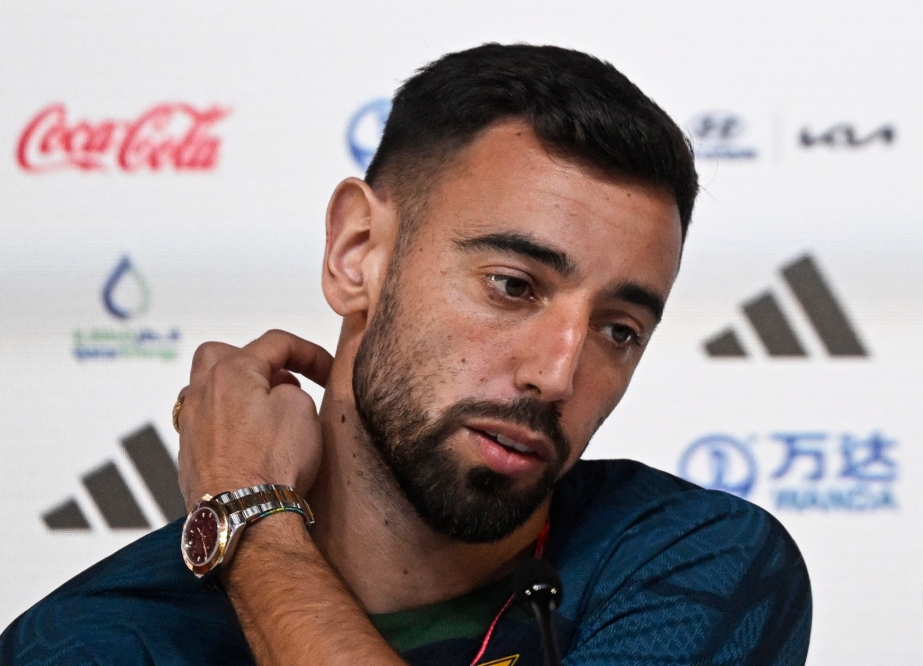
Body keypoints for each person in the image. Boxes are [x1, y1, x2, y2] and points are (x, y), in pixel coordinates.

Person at [1, 43, 811, 665]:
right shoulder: (92, 642)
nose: (558, 374)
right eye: (512, 285)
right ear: (358, 252)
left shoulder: (693, 566)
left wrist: (250, 519)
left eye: (619, 330)